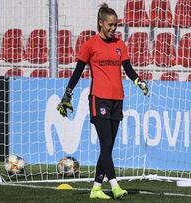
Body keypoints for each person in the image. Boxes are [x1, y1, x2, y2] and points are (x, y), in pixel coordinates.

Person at [57, 3, 149, 200]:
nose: (113, 29)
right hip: (98, 99)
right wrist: (67, 94)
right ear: (100, 23)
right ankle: (115, 185)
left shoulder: (120, 45)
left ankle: (96, 188)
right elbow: (77, 71)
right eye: (110, 25)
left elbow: (129, 69)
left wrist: (138, 81)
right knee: (105, 142)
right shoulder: (90, 45)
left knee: (108, 146)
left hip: (118, 99)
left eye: (115, 25)